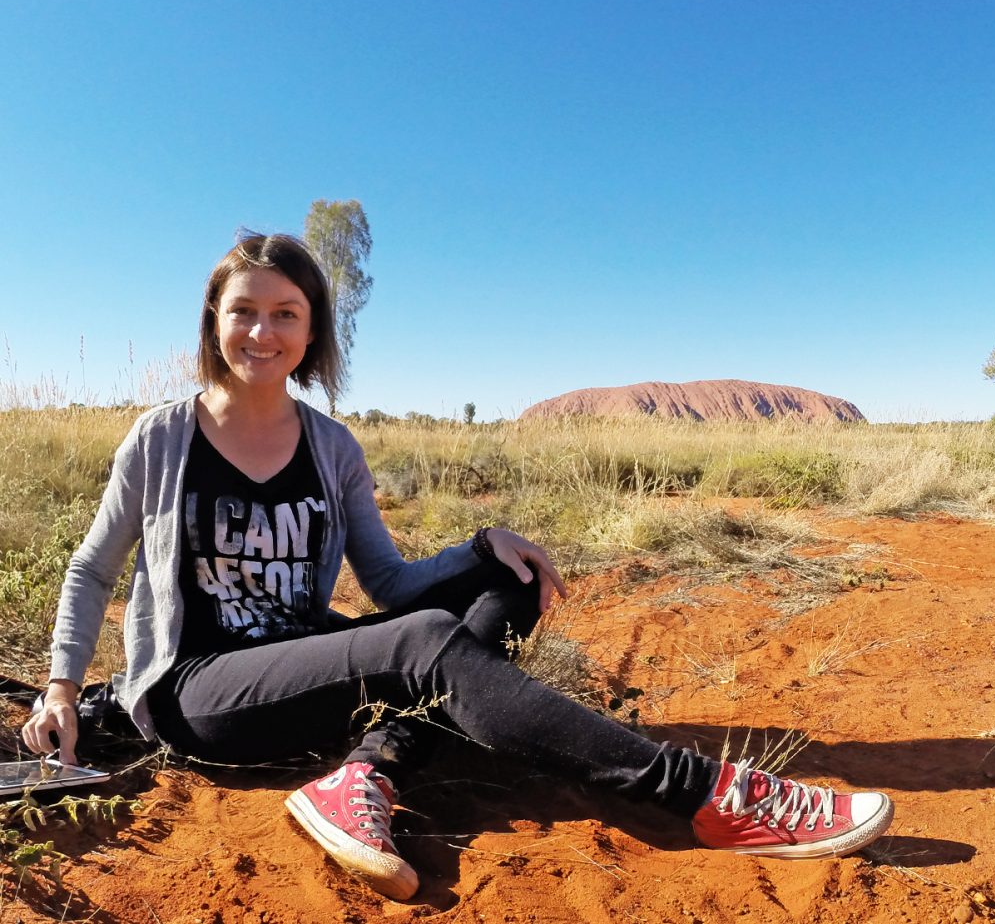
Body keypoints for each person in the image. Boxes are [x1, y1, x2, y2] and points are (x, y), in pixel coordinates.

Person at [22, 232, 894, 900]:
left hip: (306, 667)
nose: (262, 330)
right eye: (244, 310)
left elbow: (389, 584)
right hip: (201, 691)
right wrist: (63, 683)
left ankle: (367, 772)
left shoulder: (330, 445)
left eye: (286, 312)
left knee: (503, 586)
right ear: (214, 321)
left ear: (313, 326)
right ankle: (703, 793)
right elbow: (93, 566)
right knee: (428, 643)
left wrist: (481, 548)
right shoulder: (162, 437)